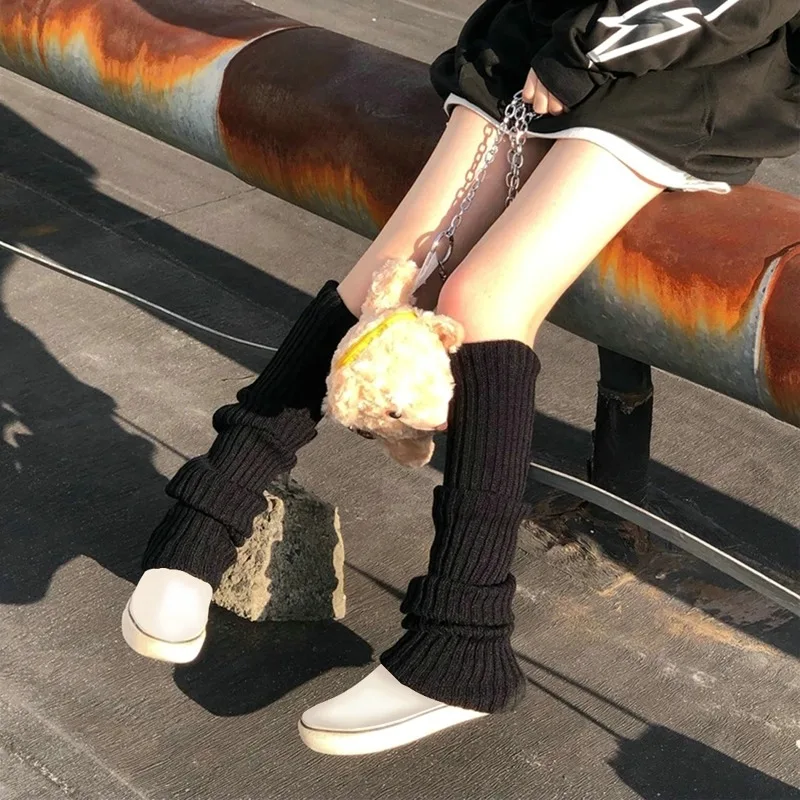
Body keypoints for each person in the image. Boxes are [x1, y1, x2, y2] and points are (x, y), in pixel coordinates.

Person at [120, 0, 799, 755]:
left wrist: (586, 49)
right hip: (552, 28)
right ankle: (207, 513)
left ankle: (464, 635)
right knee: (393, 271)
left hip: (687, 58)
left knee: (484, 300)